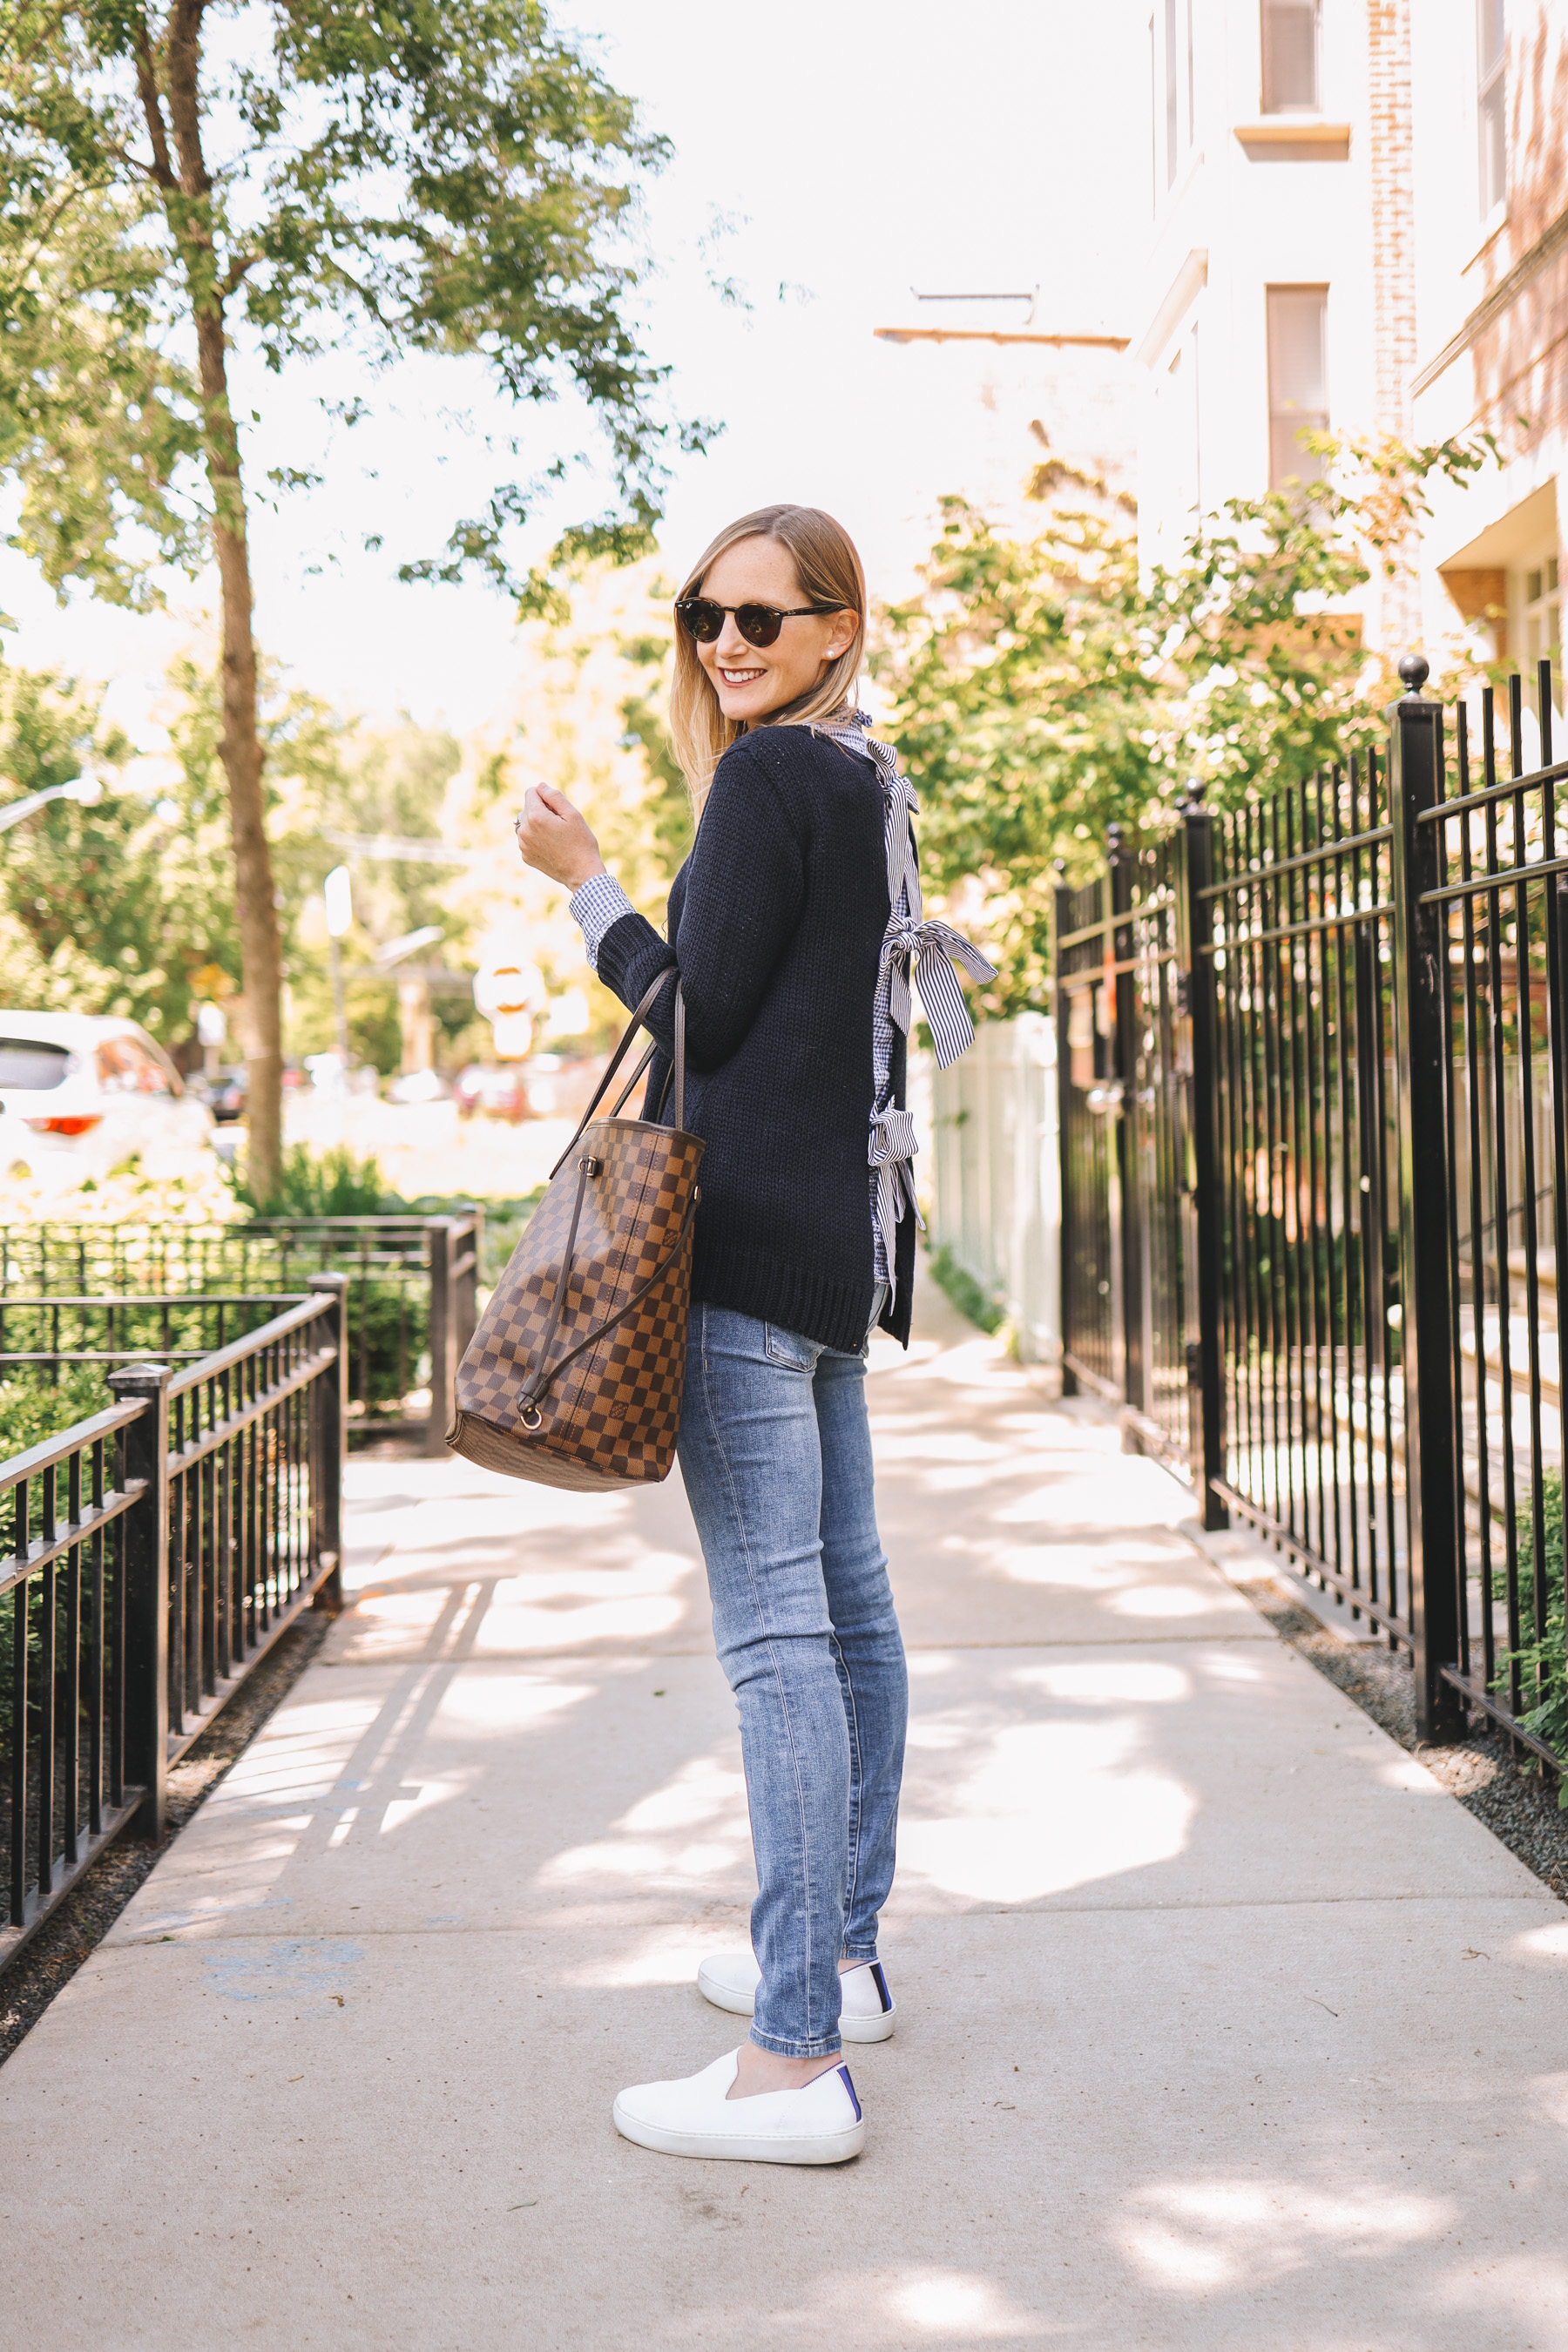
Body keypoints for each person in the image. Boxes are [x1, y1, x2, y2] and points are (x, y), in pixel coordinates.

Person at [514, 504, 992, 2166]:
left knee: (780, 1640)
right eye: (705, 616)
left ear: (839, 629)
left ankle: (793, 2066)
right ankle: (840, 1964)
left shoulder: (773, 778)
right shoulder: (870, 783)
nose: (728, 645)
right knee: (849, 1617)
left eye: (764, 620)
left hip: (739, 1266)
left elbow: (689, 1006)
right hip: (832, 1264)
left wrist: (585, 888)